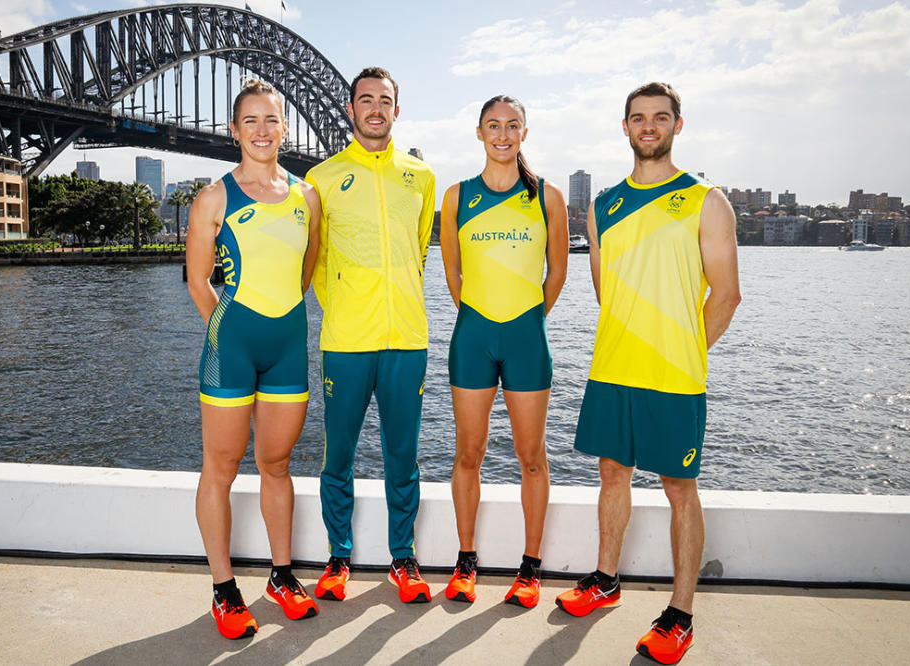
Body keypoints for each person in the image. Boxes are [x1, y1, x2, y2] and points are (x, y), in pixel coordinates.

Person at [554, 82, 741, 665]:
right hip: (613, 368)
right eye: (639, 118)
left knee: (679, 488)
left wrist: (685, 351)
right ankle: (606, 580)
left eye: (661, 118)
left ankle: (680, 614)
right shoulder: (603, 204)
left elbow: (727, 296)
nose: (649, 127)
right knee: (613, 474)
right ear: (627, 127)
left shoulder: (706, 201)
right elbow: (606, 293)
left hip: (673, 377)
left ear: (677, 126)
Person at [185, 79, 322, 640]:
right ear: (234, 130)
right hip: (232, 346)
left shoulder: (306, 197)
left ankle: (281, 576)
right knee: (219, 468)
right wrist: (229, 330)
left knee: (278, 465)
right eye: (252, 120)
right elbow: (197, 283)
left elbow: (306, 269)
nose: (263, 130)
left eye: (272, 120)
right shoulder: (214, 197)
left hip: (289, 344)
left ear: (285, 128)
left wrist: (277, 317)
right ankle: (223, 590)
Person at [306, 67, 436, 604]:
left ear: (397, 111)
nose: (376, 108)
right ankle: (339, 557)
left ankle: (402, 559)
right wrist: (343, 307)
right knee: (338, 454)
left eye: (385, 100)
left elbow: (421, 248)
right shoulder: (322, 178)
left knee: (402, 456)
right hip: (346, 340)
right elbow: (315, 260)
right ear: (351, 109)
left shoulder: (420, 177)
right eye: (366, 100)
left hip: (407, 337)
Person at [438, 95, 568, 608]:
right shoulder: (457, 196)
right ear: (479, 133)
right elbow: (452, 271)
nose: (502, 134)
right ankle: (466, 561)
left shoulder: (547, 198)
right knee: (468, 453)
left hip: (526, 339)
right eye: (493, 125)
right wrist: (477, 313)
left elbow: (557, 270)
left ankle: (530, 568)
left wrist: (530, 316)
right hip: (472, 338)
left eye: (512, 125)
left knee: (531, 457)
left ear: (524, 133)